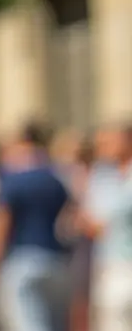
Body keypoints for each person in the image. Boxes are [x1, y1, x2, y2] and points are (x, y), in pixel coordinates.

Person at [0, 123, 72, 331]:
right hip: (57, 262)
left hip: (22, 261)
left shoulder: (12, 182)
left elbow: (1, 225)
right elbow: (70, 221)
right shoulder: (57, 179)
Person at [81, 124, 132, 331]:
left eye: (109, 142)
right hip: (111, 264)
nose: (103, 148)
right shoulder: (102, 177)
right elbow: (92, 223)